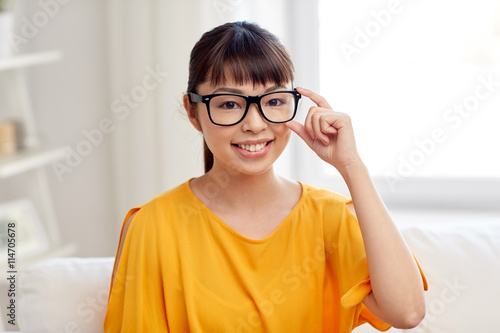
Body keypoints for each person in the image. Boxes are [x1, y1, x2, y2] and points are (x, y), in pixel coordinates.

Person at [104, 21, 427, 332]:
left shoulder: (334, 218)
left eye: (273, 101)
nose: (256, 124)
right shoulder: (153, 226)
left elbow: (408, 312)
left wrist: (351, 167)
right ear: (193, 111)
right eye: (230, 103)